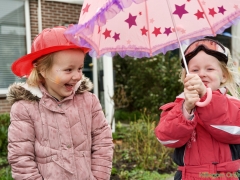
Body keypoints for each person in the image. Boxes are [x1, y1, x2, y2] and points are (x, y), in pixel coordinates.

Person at [6, 26, 114, 180]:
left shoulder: (89, 101)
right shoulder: (24, 108)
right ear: (43, 70)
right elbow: (21, 158)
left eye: (80, 68)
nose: (77, 76)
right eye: (69, 70)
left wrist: (98, 177)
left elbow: (103, 143)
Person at [155, 38, 240, 180]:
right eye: (194, 70)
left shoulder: (234, 105)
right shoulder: (178, 108)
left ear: (224, 76)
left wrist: (207, 97)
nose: (201, 74)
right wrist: (186, 110)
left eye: (210, 69)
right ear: (186, 78)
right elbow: (166, 138)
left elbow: (232, 130)